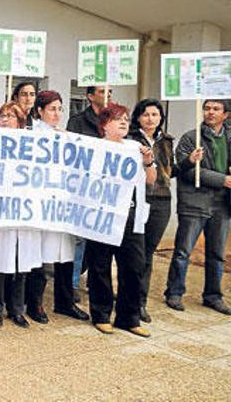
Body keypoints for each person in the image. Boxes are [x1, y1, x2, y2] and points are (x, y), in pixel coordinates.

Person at [88, 103, 154, 337]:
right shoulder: (95, 147)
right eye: (117, 119)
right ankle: (101, 314)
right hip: (103, 214)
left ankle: (129, 317)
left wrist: (147, 162)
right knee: (100, 266)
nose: (124, 122)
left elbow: (150, 179)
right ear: (105, 125)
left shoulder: (136, 146)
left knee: (134, 267)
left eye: (126, 118)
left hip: (131, 214)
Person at [26, 90, 90, 324]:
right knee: (40, 255)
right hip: (42, 204)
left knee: (65, 255)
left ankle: (64, 302)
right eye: (51, 108)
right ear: (40, 111)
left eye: (60, 108)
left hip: (63, 204)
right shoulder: (32, 135)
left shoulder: (66, 136)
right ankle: (34, 303)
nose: (57, 113)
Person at [165, 99, 231, 315]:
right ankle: (174, 292)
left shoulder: (229, 138)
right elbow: (188, 171)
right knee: (183, 251)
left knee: (217, 253)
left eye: (216, 109)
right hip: (194, 201)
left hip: (222, 203)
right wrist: (223, 179)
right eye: (207, 108)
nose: (210, 112)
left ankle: (213, 295)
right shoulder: (191, 138)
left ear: (226, 115)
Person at [0, 102, 41, 328]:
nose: (5, 120)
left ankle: (16, 309)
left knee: (21, 263)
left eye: (10, 116)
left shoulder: (32, 146)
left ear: (20, 122)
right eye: (2, 116)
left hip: (24, 211)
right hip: (1, 211)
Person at [128, 99, 176, 323]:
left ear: (160, 118)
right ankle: (129, 299)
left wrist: (189, 162)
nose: (150, 119)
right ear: (138, 117)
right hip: (138, 199)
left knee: (148, 254)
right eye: (146, 114)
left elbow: (170, 171)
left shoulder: (166, 141)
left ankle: (140, 302)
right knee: (135, 253)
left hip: (162, 200)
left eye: (155, 115)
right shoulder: (130, 140)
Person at [66, 85, 113, 300]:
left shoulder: (114, 121)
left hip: (105, 191)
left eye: (110, 92)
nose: (108, 95)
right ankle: (73, 282)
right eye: (103, 91)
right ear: (90, 96)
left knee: (102, 241)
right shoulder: (77, 122)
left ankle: (97, 284)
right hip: (81, 189)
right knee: (79, 240)